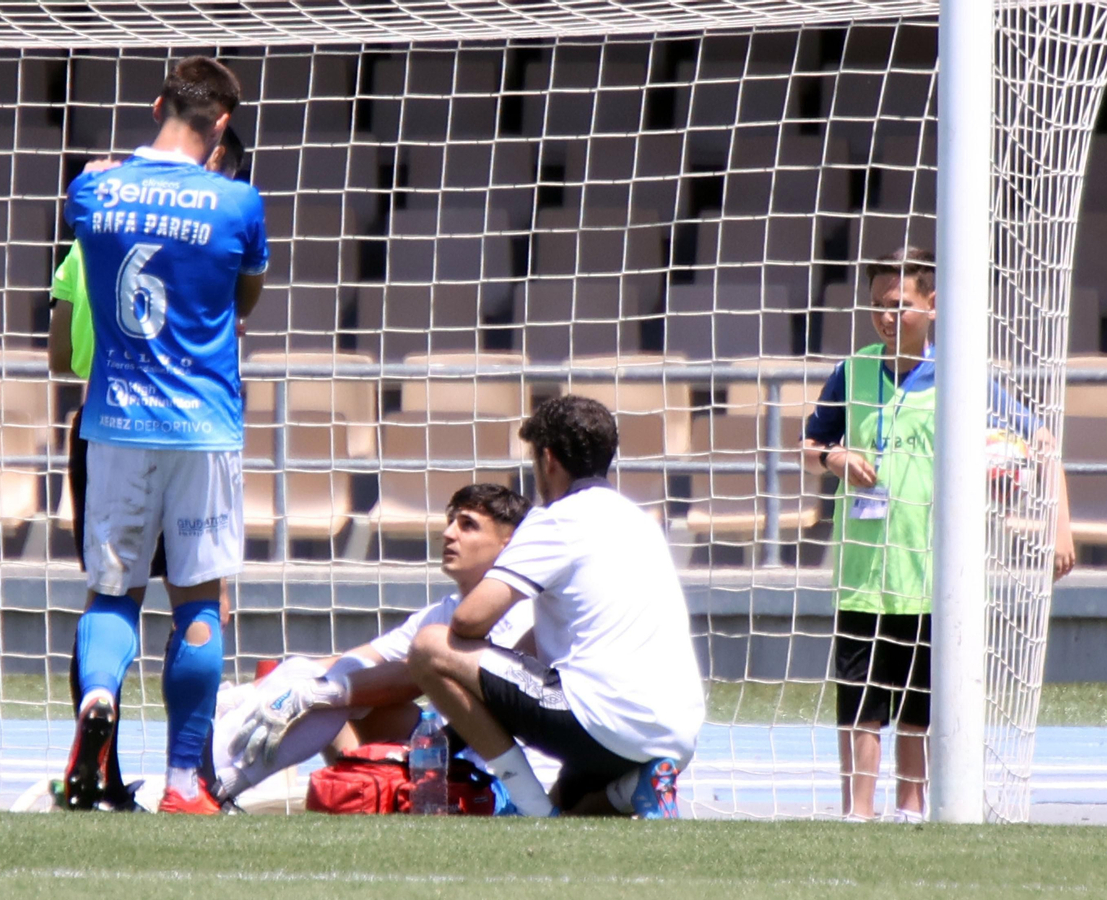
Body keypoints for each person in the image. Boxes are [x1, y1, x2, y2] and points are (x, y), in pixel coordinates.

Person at [801, 246, 1076, 822]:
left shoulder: (960, 379)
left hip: (932, 576)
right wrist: (835, 460)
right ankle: (857, 812)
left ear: (933, 304)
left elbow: (1042, 442)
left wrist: (1059, 528)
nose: (887, 317)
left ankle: (911, 805)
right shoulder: (851, 373)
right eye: (878, 305)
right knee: (860, 703)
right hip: (862, 575)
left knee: (919, 705)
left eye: (900, 305)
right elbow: (810, 443)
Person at [61, 55, 268, 815]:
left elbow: (87, 242)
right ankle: (186, 782)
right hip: (204, 425)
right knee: (198, 604)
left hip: (114, 422)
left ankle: (97, 702)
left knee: (112, 595)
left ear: (156, 106)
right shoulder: (239, 202)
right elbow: (246, 296)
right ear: (221, 126)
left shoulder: (93, 188)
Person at [407, 395, 705, 819]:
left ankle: (529, 809)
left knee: (431, 646)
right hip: (677, 737)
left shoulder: (556, 519)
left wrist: (471, 706)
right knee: (575, 804)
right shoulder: (642, 521)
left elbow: (468, 621)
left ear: (547, 459)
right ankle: (636, 787)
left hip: (601, 723)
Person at [212, 483, 533, 803]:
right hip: (440, 756)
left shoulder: (524, 614)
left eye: (468, 526)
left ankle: (222, 786)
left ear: (509, 544)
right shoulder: (443, 610)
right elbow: (360, 659)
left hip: (500, 780)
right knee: (326, 676)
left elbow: (412, 678)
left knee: (345, 689)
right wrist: (256, 692)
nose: (448, 534)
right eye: (450, 522)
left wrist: (318, 694)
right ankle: (216, 779)